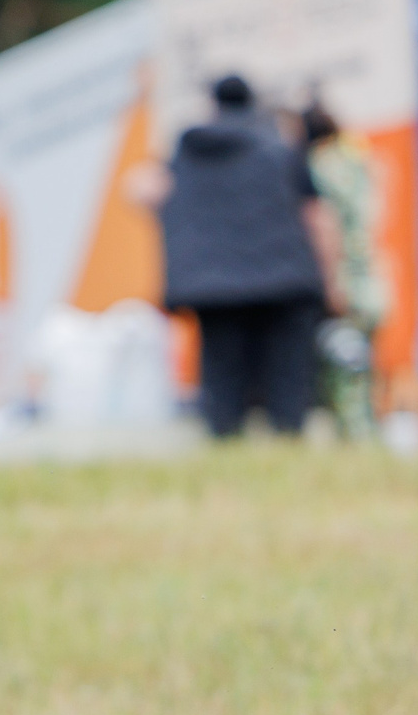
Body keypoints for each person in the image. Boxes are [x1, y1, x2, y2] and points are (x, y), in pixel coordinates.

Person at [156, 74, 332, 438]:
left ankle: (224, 448)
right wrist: (329, 277)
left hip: (214, 284)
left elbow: (150, 192)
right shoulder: (278, 147)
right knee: (288, 374)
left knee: (222, 375)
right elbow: (314, 214)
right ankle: (289, 448)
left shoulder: (189, 151)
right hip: (284, 276)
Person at [301, 100, 384, 441]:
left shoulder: (320, 166)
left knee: (344, 375)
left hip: (344, 282)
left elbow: (328, 226)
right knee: (363, 371)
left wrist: (332, 284)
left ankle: (358, 444)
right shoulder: (357, 161)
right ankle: (366, 438)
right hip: (369, 280)